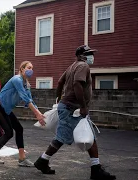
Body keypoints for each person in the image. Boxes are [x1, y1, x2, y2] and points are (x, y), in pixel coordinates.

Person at [34, 45, 116, 180]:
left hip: (69, 107)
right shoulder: (83, 66)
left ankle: (95, 168)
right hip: (72, 109)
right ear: (80, 55)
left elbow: (60, 82)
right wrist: (83, 106)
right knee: (62, 138)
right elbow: (77, 84)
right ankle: (43, 161)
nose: (91, 56)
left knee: (86, 136)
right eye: (88, 53)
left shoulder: (73, 66)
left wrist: (59, 99)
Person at [0, 61, 46, 167]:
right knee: (9, 132)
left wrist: (40, 114)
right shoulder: (16, 79)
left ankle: (22, 158)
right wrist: (37, 114)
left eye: (32, 68)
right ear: (22, 69)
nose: (31, 70)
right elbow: (24, 97)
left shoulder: (26, 84)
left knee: (19, 129)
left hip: (6, 109)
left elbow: (30, 100)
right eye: (29, 67)